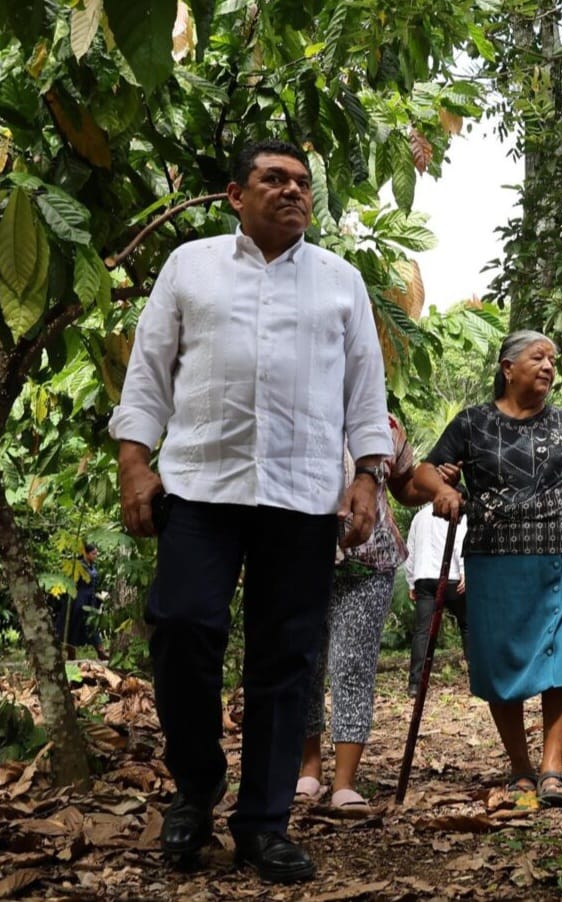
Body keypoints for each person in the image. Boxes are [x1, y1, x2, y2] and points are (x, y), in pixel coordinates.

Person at [109, 139, 391, 883]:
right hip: (201, 487)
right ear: (237, 194)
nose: (293, 191)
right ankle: (197, 785)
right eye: (274, 179)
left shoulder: (340, 282)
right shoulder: (190, 267)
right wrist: (134, 463)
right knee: (181, 625)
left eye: (303, 181)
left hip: (301, 498)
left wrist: (367, 477)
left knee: (286, 658)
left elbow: (366, 391)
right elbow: (147, 375)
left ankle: (263, 824)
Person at [413, 330, 562, 808]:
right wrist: (442, 491)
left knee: (560, 655)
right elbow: (426, 470)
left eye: (553, 359)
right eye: (538, 357)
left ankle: (553, 768)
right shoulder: (472, 423)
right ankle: (520, 767)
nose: (549, 366)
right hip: (493, 561)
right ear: (508, 368)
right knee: (496, 661)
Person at [297, 416, 431, 809]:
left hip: (369, 560)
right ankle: (309, 768)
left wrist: (435, 483)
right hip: (302, 556)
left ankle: (344, 780)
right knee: (307, 663)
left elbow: (405, 484)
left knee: (351, 664)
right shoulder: (297, 408)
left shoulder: (382, 422)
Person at [405, 503, 470, 697]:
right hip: (451, 576)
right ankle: (476, 676)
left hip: (424, 577)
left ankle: (415, 684)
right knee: (467, 625)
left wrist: (411, 581)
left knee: (422, 631)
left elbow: (411, 548)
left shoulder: (420, 516)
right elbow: (461, 541)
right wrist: (465, 571)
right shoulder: (456, 512)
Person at [55, 543, 107, 660]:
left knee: (92, 625)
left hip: (91, 600)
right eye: (93, 554)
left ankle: (100, 650)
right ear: (86, 554)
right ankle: (71, 653)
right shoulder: (78, 566)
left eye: (96, 554)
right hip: (79, 600)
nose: (95, 556)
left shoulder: (92, 566)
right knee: (74, 626)